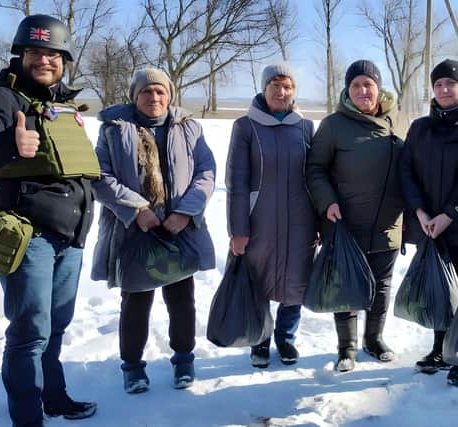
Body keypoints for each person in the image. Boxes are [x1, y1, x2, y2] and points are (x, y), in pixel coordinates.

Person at [0, 14, 97, 427]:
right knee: (29, 332)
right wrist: (10, 143)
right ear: (21, 55)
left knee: (53, 328)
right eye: (35, 52)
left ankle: (54, 397)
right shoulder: (1, 98)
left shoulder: (61, 104)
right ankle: (26, 417)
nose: (44, 60)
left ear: (64, 59)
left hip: (69, 236)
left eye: (53, 54)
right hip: (27, 234)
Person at [91, 68, 216, 393]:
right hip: (135, 231)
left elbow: (206, 171)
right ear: (134, 96)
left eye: (161, 91)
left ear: (170, 95)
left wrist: (186, 213)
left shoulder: (189, 127)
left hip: (179, 230)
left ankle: (184, 360)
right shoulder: (114, 130)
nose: (154, 98)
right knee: (135, 302)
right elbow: (99, 177)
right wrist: (138, 210)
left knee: (181, 299)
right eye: (147, 92)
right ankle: (132, 367)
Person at [306, 59, 404, 372]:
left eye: (368, 84)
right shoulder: (334, 125)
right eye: (356, 85)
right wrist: (327, 202)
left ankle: (373, 340)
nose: (363, 90)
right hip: (346, 223)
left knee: (382, 286)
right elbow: (315, 169)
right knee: (346, 284)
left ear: (379, 89)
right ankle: (346, 349)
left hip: (389, 224)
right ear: (348, 91)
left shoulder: (396, 120)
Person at [226, 63, 316, 368]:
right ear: (264, 89)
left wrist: (318, 222)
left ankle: (285, 338)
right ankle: (260, 339)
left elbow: (313, 176)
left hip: (300, 221)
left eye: (287, 86)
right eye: (275, 85)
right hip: (259, 220)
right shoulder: (246, 127)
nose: (281, 92)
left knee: (296, 283)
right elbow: (236, 180)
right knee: (259, 280)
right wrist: (238, 229)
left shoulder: (305, 127)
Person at [399, 59, 458, 387]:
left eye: (451, 83)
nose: (444, 89)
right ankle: (438, 349)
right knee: (438, 291)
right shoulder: (420, 127)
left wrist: (451, 213)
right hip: (429, 225)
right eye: (438, 84)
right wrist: (420, 212)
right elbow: (406, 172)